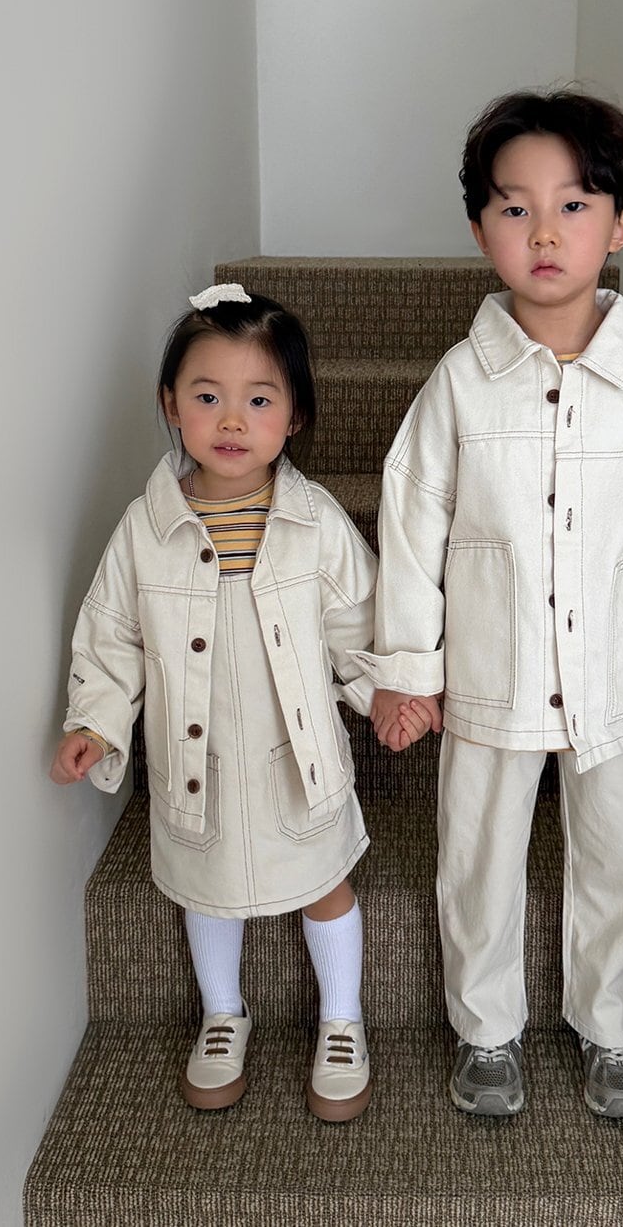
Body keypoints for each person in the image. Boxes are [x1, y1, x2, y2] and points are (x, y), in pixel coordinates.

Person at [353, 90, 623, 1119]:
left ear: (619, 225)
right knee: (476, 857)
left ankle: (614, 1028)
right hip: (493, 673)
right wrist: (409, 670)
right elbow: (412, 525)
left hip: (616, 682)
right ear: (479, 227)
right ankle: (486, 1031)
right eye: (514, 207)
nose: (543, 232)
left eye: (573, 205)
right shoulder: (459, 385)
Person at [50, 285, 425, 1122]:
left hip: (298, 762)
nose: (231, 419)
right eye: (207, 396)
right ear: (170, 406)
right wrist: (95, 723)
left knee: (325, 883)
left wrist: (387, 695)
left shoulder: (315, 522)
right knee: (205, 888)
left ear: (293, 417)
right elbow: (111, 637)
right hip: (200, 762)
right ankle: (223, 1013)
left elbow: (358, 623)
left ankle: (341, 1019)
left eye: (259, 400)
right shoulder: (144, 531)